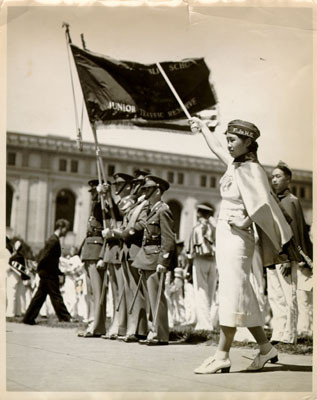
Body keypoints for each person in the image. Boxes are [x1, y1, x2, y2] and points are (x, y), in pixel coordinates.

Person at [189, 118, 293, 373]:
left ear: (248, 142)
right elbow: (216, 148)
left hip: (238, 238)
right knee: (241, 292)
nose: (228, 145)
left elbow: (264, 203)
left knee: (231, 292)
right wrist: (203, 128)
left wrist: (245, 221)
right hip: (225, 233)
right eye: (228, 139)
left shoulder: (253, 169)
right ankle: (267, 348)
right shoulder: (234, 165)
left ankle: (222, 354)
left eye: (233, 140)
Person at [268, 161, 313, 342]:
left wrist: (287, 257)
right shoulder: (273, 201)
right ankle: (278, 332)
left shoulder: (292, 201)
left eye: (278, 176)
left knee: (288, 295)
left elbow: (293, 233)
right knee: (275, 296)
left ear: (288, 179)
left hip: (286, 256)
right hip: (272, 255)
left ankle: (289, 334)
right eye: (272, 177)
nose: (274, 180)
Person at [133, 175, 176, 346]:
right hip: (147, 257)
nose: (145, 193)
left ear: (157, 191)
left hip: (156, 258)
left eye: (148, 190)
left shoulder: (163, 209)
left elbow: (168, 238)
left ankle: (160, 334)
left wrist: (163, 261)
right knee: (152, 298)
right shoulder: (151, 210)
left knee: (157, 297)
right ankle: (154, 331)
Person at [23, 219, 73, 324]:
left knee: (40, 296)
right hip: (49, 273)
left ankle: (28, 317)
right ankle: (65, 317)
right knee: (55, 296)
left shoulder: (53, 239)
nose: (66, 232)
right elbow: (45, 256)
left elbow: (49, 258)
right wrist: (40, 268)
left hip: (47, 272)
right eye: (66, 229)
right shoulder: (53, 241)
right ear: (61, 228)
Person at [78, 179, 108, 337]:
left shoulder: (103, 208)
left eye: (95, 193)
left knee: (97, 292)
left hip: (97, 251)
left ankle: (97, 326)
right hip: (89, 251)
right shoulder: (93, 210)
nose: (92, 197)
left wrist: (103, 255)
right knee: (90, 292)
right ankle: (93, 323)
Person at [187, 204, 217, 330]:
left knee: (200, 291)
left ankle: (204, 324)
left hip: (200, 260)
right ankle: (209, 321)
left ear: (199, 213)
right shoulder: (214, 228)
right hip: (213, 261)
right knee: (210, 292)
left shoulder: (197, 228)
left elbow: (191, 250)